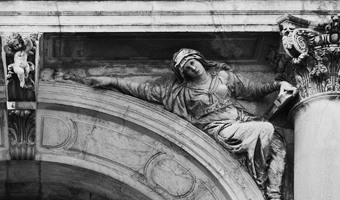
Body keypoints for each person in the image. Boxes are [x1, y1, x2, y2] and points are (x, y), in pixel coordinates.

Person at [85, 48, 294, 200]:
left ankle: (272, 193)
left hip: (242, 119)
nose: (193, 68)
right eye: (186, 68)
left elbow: (252, 90)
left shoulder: (222, 77)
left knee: (277, 144)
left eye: (193, 62)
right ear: (183, 74)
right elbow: (144, 91)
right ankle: (258, 180)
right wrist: (113, 82)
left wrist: (278, 85)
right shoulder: (180, 93)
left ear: (200, 59)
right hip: (220, 129)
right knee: (265, 129)